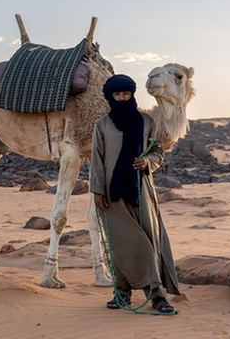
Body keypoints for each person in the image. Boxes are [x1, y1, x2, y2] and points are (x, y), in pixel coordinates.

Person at [90, 74, 180, 314]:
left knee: (149, 241)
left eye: (126, 94)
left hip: (141, 191)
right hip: (111, 193)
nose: (122, 98)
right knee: (120, 244)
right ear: (110, 97)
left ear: (132, 94)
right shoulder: (102, 125)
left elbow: (158, 151)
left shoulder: (146, 122)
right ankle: (122, 293)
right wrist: (97, 190)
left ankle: (158, 296)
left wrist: (148, 161)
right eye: (117, 95)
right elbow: (96, 160)